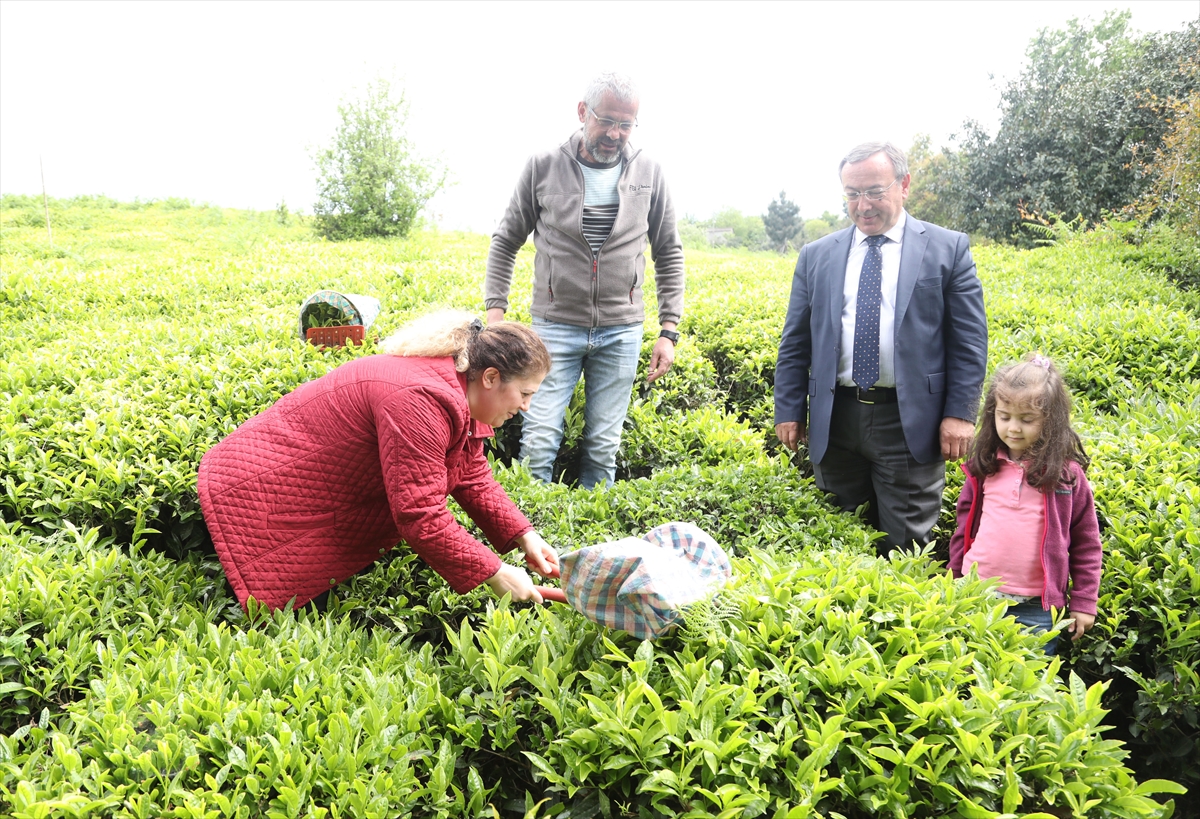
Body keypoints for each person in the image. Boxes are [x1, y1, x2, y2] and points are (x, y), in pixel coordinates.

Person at [197, 311, 560, 611]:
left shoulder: (455, 389)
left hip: (288, 484)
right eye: (525, 393)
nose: (526, 407)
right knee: (284, 614)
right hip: (257, 492)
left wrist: (524, 536)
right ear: (491, 377)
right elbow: (420, 513)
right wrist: (495, 573)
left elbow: (470, 475)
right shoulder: (420, 399)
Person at [774, 141, 988, 556]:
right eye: (852, 194)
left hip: (908, 422)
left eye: (874, 191)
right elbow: (795, 341)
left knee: (906, 547)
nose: (863, 205)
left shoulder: (948, 249)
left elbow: (968, 342)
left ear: (904, 184)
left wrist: (960, 414)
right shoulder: (816, 255)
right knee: (839, 541)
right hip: (834, 419)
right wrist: (788, 410)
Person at [484, 72, 685, 489]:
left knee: (602, 445)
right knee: (538, 441)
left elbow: (668, 250)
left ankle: (597, 541)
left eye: (626, 124)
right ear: (582, 112)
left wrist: (669, 330)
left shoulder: (648, 170)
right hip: (554, 326)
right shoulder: (543, 166)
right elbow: (505, 241)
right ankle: (532, 535)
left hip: (622, 330)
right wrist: (496, 316)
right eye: (606, 120)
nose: (615, 133)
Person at [948, 355, 1102, 654]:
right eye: (1004, 416)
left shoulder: (1065, 476)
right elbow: (964, 528)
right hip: (976, 595)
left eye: (1027, 419)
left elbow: (1086, 543)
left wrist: (1084, 601)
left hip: (1037, 608)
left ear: (1051, 420)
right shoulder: (985, 467)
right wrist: (954, 576)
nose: (1013, 428)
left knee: (1025, 685)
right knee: (972, 676)